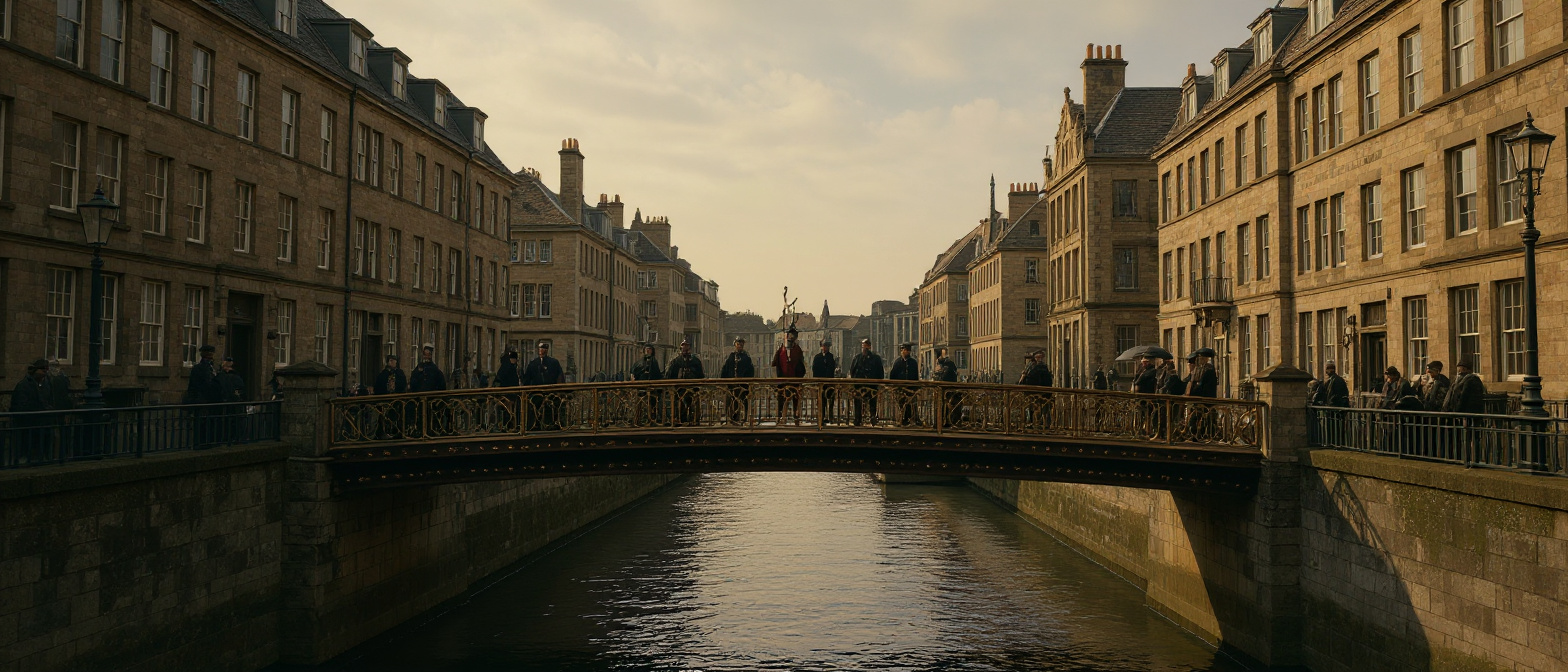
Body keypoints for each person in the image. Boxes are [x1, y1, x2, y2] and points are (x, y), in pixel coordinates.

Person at [8, 359, 56, 463]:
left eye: (46, 369)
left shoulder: (47, 384)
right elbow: (19, 406)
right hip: (28, 425)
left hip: (44, 424)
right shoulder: (23, 385)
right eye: (42, 369)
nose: (45, 372)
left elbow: (51, 401)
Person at [524, 341, 565, 431]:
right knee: (535, 408)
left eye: (543, 349)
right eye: (540, 349)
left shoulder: (553, 362)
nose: (541, 351)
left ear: (546, 350)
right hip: (536, 392)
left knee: (553, 407)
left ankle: (554, 423)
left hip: (551, 391)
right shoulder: (533, 364)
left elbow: (560, 376)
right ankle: (536, 424)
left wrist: (559, 389)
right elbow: (527, 378)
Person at [665, 338, 705, 426]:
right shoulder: (676, 361)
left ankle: (694, 420)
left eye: (687, 346)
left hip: (692, 386)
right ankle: (681, 420)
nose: (685, 348)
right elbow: (670, 374)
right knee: (680, 405)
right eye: (683, 346)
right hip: (680, 387)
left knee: (693, 404)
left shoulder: (695, 360)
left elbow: (700, 374)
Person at [771, 327, 807, 423]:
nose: (791, 338)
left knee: (795, 399)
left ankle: (796, 418)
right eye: (790, 336)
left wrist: (799, 377)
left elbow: (801, 365)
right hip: (782, 381)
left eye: (793, 336)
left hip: (794, 380)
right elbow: (774, 364)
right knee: (781, 400)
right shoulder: (780, 350)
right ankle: (779, 417)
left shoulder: (798, 350)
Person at [848, 338, 883, 425]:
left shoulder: (876, 358)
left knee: (872, 402)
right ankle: (857, 419)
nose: (864, 348)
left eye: (866, 346)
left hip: (871, 385)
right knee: (858, 402)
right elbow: (852, 370)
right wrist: (854, 382)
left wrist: (877, 383)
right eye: (863, 346)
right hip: (859, 385)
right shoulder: (857, 358)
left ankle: (872, 418)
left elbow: (880, 372)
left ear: (870, 347)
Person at [720, 337, 755, 425]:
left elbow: (750, 370)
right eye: (738, 344)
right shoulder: (731, 356)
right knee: (732, 401)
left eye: (741, 344)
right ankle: (733, 418)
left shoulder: (746, 357)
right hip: (732, 384)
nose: (739, 346)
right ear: (735, 345)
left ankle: (744, 418)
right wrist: (723, 380)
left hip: (743, 384)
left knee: (743, 400)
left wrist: (747, 381)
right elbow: (725, 368)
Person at [630, 344, 664, 427]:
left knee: (652, 403)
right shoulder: (639, 362)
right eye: (646, 349)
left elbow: (656, 374)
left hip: (652, 387)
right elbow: (633, 372)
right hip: (641, 386)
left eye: (649, 349)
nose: (648, 351)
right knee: (639, 403)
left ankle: (652, 419)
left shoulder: (654, 362)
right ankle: (637, 419)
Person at [888, 343, 920, 426]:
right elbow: (892, 375)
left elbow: (915, 376)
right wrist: (894, 385)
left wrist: (915, 387)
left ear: (909, 351)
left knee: (910, 404)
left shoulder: (913, 362)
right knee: (901, 404)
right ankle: (902, 419)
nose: (903, 352)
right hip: (900, 388)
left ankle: (908, 418)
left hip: (910, 388)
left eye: (905, 350)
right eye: (902, 350)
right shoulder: (897, 362)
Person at [812, 340, 839, 423]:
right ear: (821, 346)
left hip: (829, 382)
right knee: (821, 401)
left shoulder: (831, 357)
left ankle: (830, 417)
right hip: (821, 382)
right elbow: (814, 369)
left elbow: (832, 368)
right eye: (824, 346)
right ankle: (822, 417)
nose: (825, 348)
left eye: (826, 346)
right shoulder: (817, 357)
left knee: (830, 400)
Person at [934, 347, 960, 428]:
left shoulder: (949, 364)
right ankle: (940, 422)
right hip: (941, 389)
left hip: (948, 388)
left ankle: (946, 422)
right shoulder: (939, 364)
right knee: (941, 406)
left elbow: (952, 375)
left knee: (947, 406)